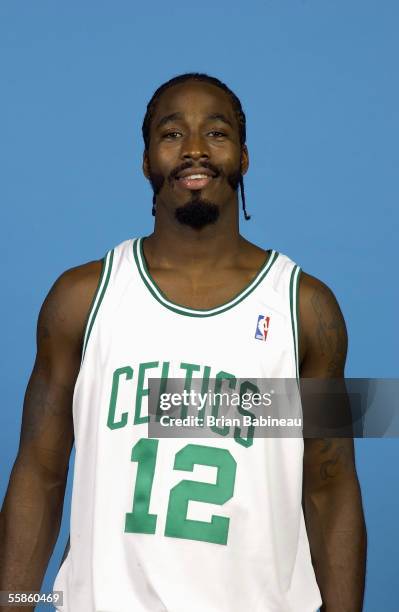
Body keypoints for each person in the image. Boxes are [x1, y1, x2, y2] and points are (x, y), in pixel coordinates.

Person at [0, 73, 367, 612]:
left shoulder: (304, 309)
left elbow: (329, 489)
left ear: (245, 157)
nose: (194, 149)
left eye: (216, 133)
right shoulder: (83, 298)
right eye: (172, 134)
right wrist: (15, 601)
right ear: (146, 159)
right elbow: (40, 469)